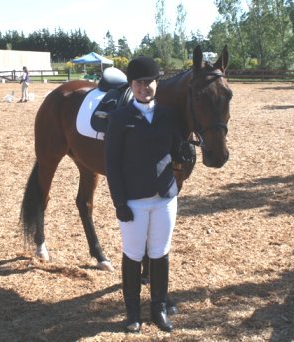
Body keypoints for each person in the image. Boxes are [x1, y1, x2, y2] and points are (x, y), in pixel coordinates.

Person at [105, 56, 194, 333]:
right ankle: (132, 312)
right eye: (139, 83)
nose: (145, 87)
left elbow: (177, 149)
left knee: (160, 254)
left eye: (149, 82)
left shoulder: (169, 115)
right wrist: (119, 201)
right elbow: (112, 164)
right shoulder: (120, 118)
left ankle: (159, 309)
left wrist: (185, 151)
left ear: (157, 82)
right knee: (132, 255)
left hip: (165, 198)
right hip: (133, 201)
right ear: (132, 85)